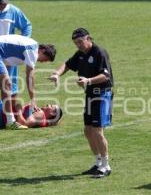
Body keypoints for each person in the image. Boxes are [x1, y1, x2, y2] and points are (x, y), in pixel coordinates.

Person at [49, 28, 114, 178]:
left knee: (97, 131)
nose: (78, 45)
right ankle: (98, 163)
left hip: (102, 94)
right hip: (90, 94)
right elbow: (67, 64)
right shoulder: (81, 54)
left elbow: (105, 76)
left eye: (80, 42)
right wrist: (56, 74)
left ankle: (106, 166)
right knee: (88, 130)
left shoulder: (99, 53)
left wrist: (88, 80)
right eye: (75, 43)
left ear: (88, 38)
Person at [0, 34, 56, 130]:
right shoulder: (33, 50)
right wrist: (33, 99)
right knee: (7, 84)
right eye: (45, 60)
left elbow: (7, 61)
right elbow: (30, 76)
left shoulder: (27, 46)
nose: (42, 62)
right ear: (42, 51)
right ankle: (10, 121)